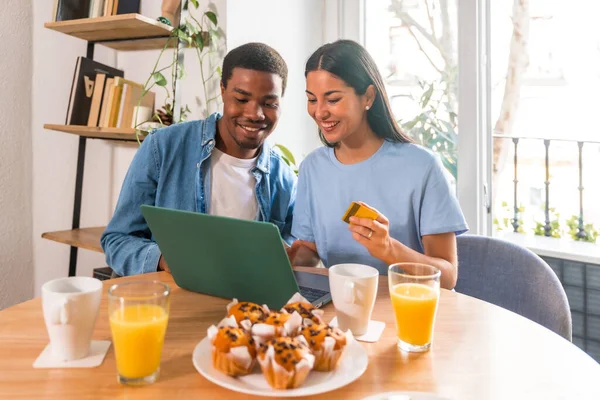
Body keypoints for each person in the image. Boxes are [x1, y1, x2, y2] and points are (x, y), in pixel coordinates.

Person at [101, 42, 297, 277]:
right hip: (170, 303)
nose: (255, 114)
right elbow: (117, 239)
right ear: (223, 90)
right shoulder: (163, 147)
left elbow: (291, 251)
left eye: (269, 103)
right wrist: (165, 260)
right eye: (242, 99)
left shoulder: (283, 177)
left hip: (240, 308)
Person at [289, 40, 467, 289]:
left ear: (368, 97)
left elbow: (447, 277)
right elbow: (311, 249)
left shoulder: (422, 167)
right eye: (312, 100)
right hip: (338, 310)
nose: (319, 112)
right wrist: (287, 257)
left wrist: (389, 248)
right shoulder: (312, 167)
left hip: (404, 309)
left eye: (332, 99)